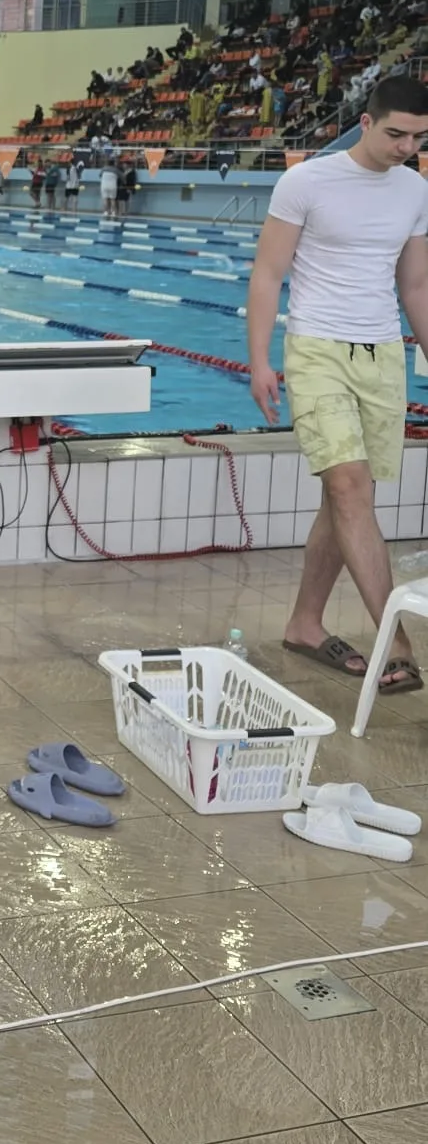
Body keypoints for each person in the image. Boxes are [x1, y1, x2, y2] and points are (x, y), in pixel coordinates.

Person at [247, 77, 428, 693]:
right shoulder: (306, 182)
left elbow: (415, 287)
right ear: (366, 122)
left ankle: (305, 623)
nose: (406, 147)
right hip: (317, 349)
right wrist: (259, 361)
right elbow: (268, 274)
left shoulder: (415, 189)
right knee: (350, 488)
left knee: (345, 496)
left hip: (382, 355)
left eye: (418, 138)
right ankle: (396, 642)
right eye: (396, 133)